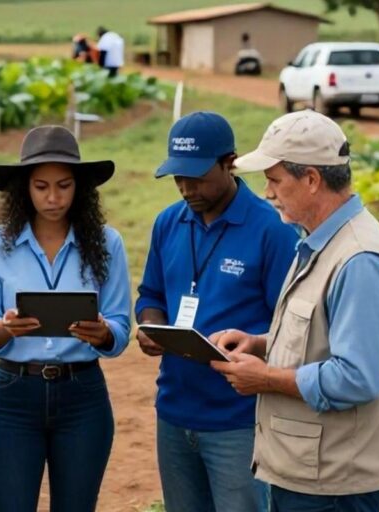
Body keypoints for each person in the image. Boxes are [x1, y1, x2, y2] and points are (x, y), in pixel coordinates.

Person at [211, 109, 379, 512]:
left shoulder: (360, 261)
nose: (267, 192)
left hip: (333, 486)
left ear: (312, 180)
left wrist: (266, 378)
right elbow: (323, 339)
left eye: (275, 179)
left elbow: (357, 377)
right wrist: (262, 344)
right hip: (313, 476)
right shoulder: (320, 242)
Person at [135, 111, 300, 512]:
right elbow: (151, 294)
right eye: (177, 177)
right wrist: (152, 328)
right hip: (174, 411)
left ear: (230, 163)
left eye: (197, 177)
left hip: (238, 420)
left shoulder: (272, 229)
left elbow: (294, 324)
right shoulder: (168, 223)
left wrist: (255, 348)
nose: (186, 188)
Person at [0, 125, 131, 512]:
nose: (54, 198)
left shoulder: (108, 243)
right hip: (13, 396)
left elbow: (122, 325)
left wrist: (104, 333)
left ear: (81, 188)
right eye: (41, 186)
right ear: (24, 186)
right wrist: (3, 328)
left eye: (64, 185)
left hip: (83, 396)